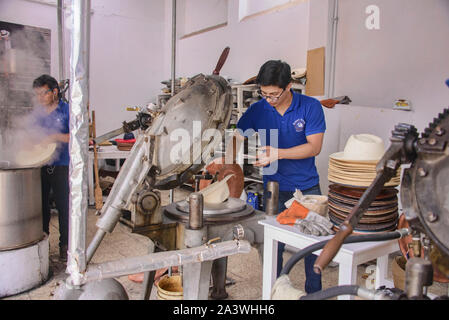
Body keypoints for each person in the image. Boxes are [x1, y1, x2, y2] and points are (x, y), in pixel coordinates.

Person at [234, 60, 326, 294]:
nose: (269, 99)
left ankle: (314, 294)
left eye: (274, 94)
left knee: (312, 245)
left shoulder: (310, 106)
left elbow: (314, 147)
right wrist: (226, 161)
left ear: (289, 87)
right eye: (264, 94)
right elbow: (237, 136)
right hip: (274, 187)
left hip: (307, 188)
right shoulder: (258, 109)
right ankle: (274, 291)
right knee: (273, 244)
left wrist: (278, 153)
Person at [32, 74, 70, 262]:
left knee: (64, 207)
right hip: (40, 166)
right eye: (37, 94)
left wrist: (56, 136)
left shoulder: (67, 110)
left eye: (43, 93)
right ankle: (44, 243)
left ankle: (65, 245)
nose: (40, 98)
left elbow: (77, 137)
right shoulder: (37, 114)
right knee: (42, 208)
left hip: (62, 166)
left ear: (55, 91)